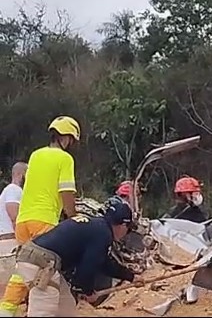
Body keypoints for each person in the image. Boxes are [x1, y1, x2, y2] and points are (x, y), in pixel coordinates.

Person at [0, 116, 80, 317]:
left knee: (24, 270)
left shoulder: (35, 155)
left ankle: (6, 311)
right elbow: (67, 191)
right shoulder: (65, 159)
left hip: (23, 221)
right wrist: (74, 217)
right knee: (48, 276)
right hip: (44, 221)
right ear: (67, 138)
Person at [12, 201, 142, 316]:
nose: (126, 234)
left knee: (66, 307)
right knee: (45, 308)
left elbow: (104, 263)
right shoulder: (104, 234)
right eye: (128, 229)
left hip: (37, 258)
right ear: (122, 225)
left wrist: (130, 277)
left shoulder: (97, 227)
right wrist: (88, 291)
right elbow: (87, 268)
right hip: (43, 263)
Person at [0, 162, 28, 253]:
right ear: (20, 175)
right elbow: (14, 216)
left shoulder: (12, 190)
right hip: (9, 239)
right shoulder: (14, 189)